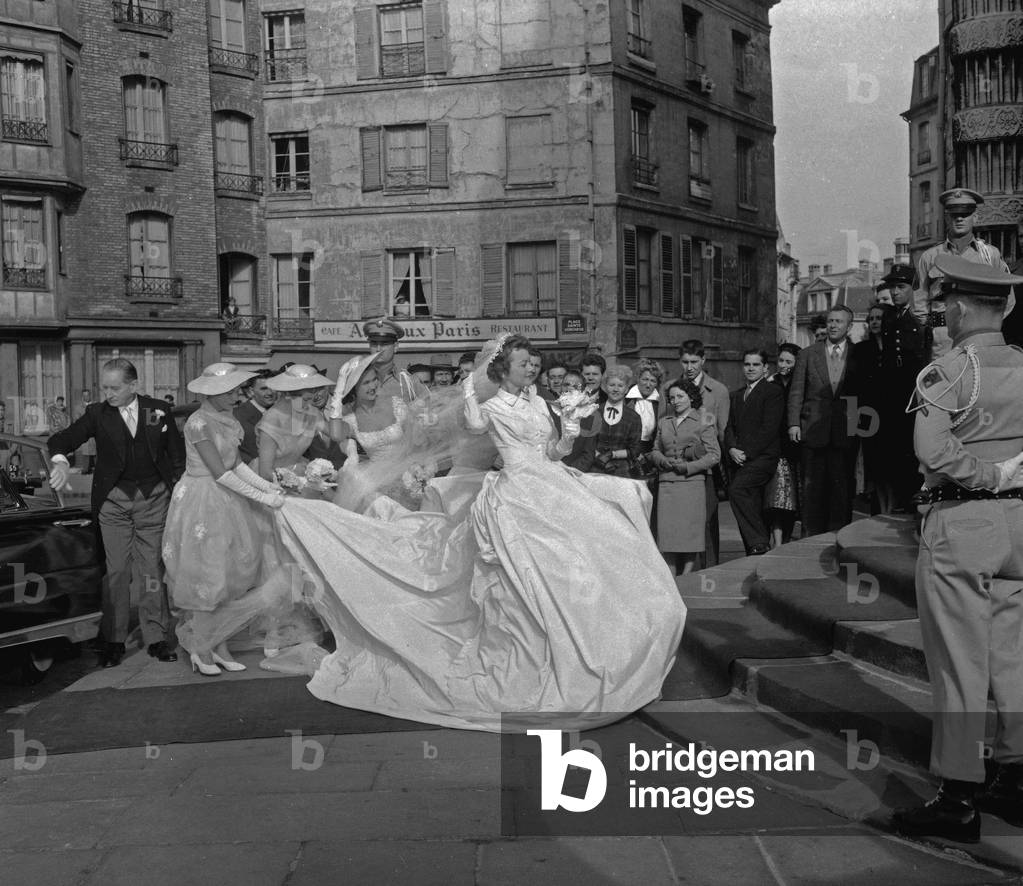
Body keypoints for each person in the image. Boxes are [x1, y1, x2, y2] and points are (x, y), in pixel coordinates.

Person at [271, 334, 686, 731]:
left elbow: (554, 451)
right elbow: (471, 423)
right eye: (525, 364)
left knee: (598, 544)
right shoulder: (491, 408)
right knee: (525, 578)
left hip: (553, 485)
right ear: (504, 370)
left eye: (535, 365)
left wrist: (571, 430)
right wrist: (470, 389)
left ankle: (594, 650)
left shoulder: (540, 403)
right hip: (516, 495)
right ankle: (536, 655)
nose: (533, 370)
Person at [891, 255, 1023, 844]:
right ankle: (1015, 779)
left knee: (958, 661)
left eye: (946, 302)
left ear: (963, 307)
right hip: (1020, 524)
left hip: (963, 522)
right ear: (1008, 307)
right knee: (1014, 656)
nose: (943, 310)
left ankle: (958, 796)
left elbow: (933, 452)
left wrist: (987, 476)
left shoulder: (949, 372)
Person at [47, 358, 185, 667]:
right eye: (104, 387)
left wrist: (179, 490)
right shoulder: (97, 414)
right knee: (118, 571)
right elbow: (64, 438)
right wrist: (60, 460)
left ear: (133, 386)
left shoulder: (157, 410)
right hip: (114, 503)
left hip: (154, 499)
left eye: (115, 387)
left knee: (151, 571)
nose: (108, 393)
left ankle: (156, 637)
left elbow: (177, 455)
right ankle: (113, 640)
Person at [162, 363, 286, 676]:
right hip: (202, 499)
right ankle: (201, 649)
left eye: (236, 390)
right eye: (229, 391)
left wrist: (266, 485)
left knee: (228, 574)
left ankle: (219, 645)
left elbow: (237, 465)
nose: (236, 396)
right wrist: (262, 498)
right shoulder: (197, 423)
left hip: (228, 500)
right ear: (213, 393)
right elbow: (220, 473)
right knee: (207, 575)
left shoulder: (227, 419)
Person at [787, 304, 863, 536]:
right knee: (812, 490)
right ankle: (810, 539)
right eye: (830, 321)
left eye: (838, 322)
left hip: (844, 433)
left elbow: (860, 396)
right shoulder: (808, 354)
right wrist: (793, 423)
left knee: (841, 491)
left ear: (849, 326)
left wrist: (855, 430)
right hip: (812, 432)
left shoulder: (858, 354)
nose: (833, 325)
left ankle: (839, 539)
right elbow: (797, 391)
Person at [915, 188, 1013, 361]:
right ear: (946, 218)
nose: (959, 218)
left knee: (978, 381)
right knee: (945, 383)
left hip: (982, 335)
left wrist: (988, 323)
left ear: (975, 218)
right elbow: (919, 303)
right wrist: (936, 329)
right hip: (942, 337)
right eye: (954, 215)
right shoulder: (930, 257)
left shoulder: (990, 255)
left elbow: (1008, 298)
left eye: (966, 214)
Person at [650, 377, 719, 574]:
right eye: (672, 398)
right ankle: (671, 578)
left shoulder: (703, 420)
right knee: (667, 536)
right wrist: (663, 461)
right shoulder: (664, 422)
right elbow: (655, 449)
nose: (676, 401)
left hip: (691, 484)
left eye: (681, 396)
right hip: (667, 484)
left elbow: (714, 455)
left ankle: (686, 578)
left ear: (691, 397)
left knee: (690, 535)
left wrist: (688, 468)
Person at [878, 263, 929, 511]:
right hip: (893, 386)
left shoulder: (920, 316)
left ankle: (914, 497)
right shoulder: (889, 317)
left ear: (912, 288)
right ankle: (901, 498)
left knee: (913, 444)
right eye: (892, 287)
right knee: (896, 445)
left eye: (901, 287)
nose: (895, 292)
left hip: (914, 384)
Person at [725, 349, 785, 555]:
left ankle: (759, 542)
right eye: (747, 364)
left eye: (756, 365)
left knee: (737, 490)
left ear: (765, 368)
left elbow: (769, 429)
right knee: (751, 503)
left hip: (762, 457)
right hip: (739, 458)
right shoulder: (736, 395)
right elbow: (729, 426)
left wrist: (746, 453)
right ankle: (753, 550)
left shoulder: (772, 392)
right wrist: (732, 448)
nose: (750, 368)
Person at [679, 339, 729, 567]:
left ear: (703, 360)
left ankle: (709, 568)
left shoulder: (718, 391)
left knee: (708, 519)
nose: (689, 367)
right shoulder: (671, 387)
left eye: (694, 362)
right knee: (682, 520)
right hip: (679, 462)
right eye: (685, 362)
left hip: (708, 463)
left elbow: (723, 431)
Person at [257, 365, 336, 481]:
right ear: (288, 396)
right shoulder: (272, 420)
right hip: (272, 481)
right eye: (305, 400)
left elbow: (336, 434)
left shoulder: (310, 412)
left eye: (310, 399)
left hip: (298, 472)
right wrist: (299, 482)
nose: (309, 405)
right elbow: (265, 472)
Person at [765, 343, 802, 546]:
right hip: (776, 447)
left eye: (789, 361)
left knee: (793, 500)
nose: (784, 365)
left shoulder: (799, 384)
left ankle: (787, 540)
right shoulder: (771, 383)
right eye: (781, 360)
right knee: (777, 498)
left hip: (796, 448)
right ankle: (777, 541)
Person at [362, 317, 429, 403]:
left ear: (396, 347)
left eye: (384, 343)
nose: (378, 349)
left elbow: (431, 410)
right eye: (374, 343)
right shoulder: (357, 380)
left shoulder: (410, 383)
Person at [592, 365, 642, 478]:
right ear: (605, 387)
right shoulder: (594, 412)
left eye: (620, 385)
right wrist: (601, 458)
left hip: (622, 471)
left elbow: (635, 450)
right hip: (595, 468)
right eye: (612, 385)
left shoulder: (634, 417)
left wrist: (612, 455)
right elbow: (587, 443)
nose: (615, 389)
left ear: (626, 389)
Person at [235, 369, 277, 463]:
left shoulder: (281, 413)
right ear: (251, 391)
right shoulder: (238, 416)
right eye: (264, 389)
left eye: (272, 387)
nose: (270, 393)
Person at [74, 390, 96, 473]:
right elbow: (77, 419)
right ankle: (86, 469)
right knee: (86, 451)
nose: (86, 397)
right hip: (85, 431)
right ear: (82, 397)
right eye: (84, 396)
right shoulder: (79, 407)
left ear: (90, 396)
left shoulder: (96, 405)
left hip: (95, 431)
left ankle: (98, 469)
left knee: (96, 450)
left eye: (87, 395)